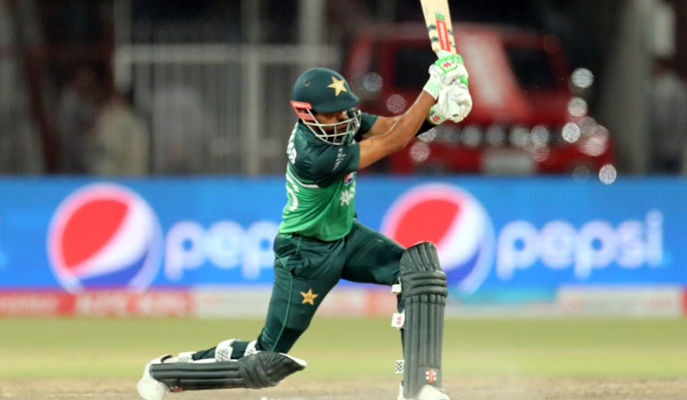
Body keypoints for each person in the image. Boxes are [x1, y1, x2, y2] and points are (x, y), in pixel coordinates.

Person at [136, 53, 472, 400]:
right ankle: (166, 371)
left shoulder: (339, 118)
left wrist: (437, 114)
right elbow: (394, 142)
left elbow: (392, 126)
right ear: (306, 113)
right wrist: (432, 88)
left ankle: (418, 385)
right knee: (265, 360)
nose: (344, 118)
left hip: (346, 237)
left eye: (345, 110)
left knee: (418, 272)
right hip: (305, 255)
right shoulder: (313, 154)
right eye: (333, 112)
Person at [85, 89, 150, 176]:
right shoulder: (106, 117)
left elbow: (137, 154)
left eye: (117, 99)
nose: (113, 102)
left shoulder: (134, 123)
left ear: (125, 101)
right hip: (103, 174)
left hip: (124, 175)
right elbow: (91, 140)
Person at [648, 57, 687, 174]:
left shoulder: (673, 88)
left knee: (670, 171)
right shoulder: (656, 86)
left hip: (671, 141)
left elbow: (670, 117)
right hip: (660, 142)